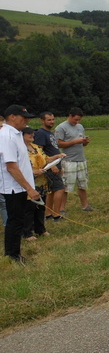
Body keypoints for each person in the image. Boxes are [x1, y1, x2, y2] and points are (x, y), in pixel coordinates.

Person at [0, 105, 42, 264]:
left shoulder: (17, 134)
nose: (27, 121)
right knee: (15, 221)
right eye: (23, 117)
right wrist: (29, 188)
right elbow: (11, 167)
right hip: (13, 187)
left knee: (18, 220)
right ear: (12, 117)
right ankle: (12, 255)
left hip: (20, 186)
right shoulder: (6, 136)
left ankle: (13, 252)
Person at [55, 107, 93, 214]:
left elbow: (82, 143)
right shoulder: (61, 127)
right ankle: (61, 209)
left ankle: (85, 206)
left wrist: (85, 142)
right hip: (68, 160)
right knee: (66, 186)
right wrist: (75, 141)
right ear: (70, 116)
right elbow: (59, 143)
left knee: (83, 184)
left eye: (79, 120)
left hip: (81, 159)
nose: (77, 122)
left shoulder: (80, 127)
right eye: (75, 119)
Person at [33, 111, 67, 221]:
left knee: (51, 190)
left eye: (53, 119)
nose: (52, 122)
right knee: (60, 189)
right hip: (50, 166)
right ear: (42, 121)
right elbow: (39, 152)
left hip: (56, 164)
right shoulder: (41, 133)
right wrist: (50, 165)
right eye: (49, 120)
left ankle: (48, 214)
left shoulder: (50, 133)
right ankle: (57, 215)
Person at [22, 127, 49, 240]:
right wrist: (34, 172)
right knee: (29, 208)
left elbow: (46, 159)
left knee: (40, 206)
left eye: (32, 133)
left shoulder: (36, 147)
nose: (32, 135)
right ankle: (28, 232)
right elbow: (20, 168)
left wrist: (56, 157)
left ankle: (40, 229)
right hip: (28, 182)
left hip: (41, 182)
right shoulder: (21, 149)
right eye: (28, 133)